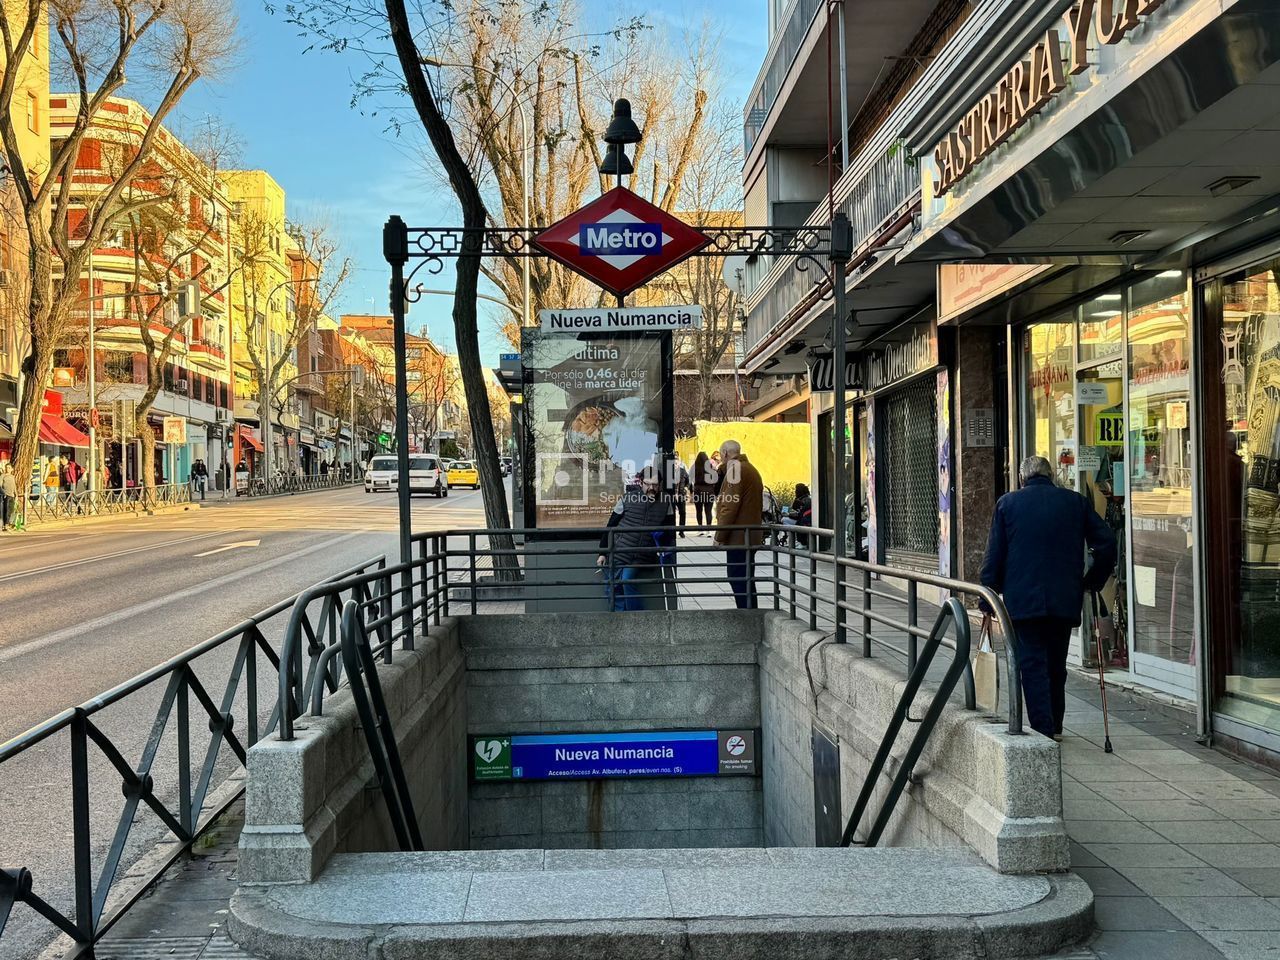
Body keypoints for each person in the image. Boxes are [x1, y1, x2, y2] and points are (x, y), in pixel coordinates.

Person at [980, 455, 1118, 740]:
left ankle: (1043, 729)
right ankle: (1054, 725)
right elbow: (1106, 543)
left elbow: (994, 554)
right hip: (1064, 597)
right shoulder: (1075, 502)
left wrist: (987, 594)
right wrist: (1093, 581)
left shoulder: (1008, 503)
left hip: (1023, 600)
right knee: (1056, 663)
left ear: (1022, 478)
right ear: (1051, 475)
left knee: (1031, 664)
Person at [597, 465, 673, 612]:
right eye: (648, 484)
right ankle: (619, 619)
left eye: (655, 484)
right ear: (641, 483)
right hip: (620, 550)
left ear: (660, 484)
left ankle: (635, 618)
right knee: (614, 587)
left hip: (642, 553)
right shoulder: (627, 498)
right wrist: (602, 552)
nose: (652, 487)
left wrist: (664, 541)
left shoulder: (666, 501)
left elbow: (669, 529)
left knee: (626, 579)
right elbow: (611, 525)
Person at [714, 440, 764, 609]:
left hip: (739, 538)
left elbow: (729, 507)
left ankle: (747, 617)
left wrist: (719, 536)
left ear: (726, 453)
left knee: (738, 578)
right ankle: (750, 615)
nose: (721, 458)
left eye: (721, 455)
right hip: (749, 535)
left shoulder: (736, 470)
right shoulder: (750, 468)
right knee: (746, 579)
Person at [691, 451, 716, 531]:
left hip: (698, 491)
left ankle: (700, 528)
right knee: (708, 511)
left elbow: (691, 479)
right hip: (709, 491)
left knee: (699, 511)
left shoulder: (694, 467)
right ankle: (708, 529)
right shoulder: (710, 467)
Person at [673, 460, 690, 536]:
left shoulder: (683, 471)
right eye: (674, 463)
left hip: (681, 495)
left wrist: (686, 487)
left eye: (676, 463)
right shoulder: (669, 471)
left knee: (682, 512)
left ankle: (681, 531)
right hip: (671, 495)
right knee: (672, 513)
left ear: (679, 463)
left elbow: (688, 481)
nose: (675, 465)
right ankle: (672, 530)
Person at [0, 461, 16, 530]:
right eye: (6, 468)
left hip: (12, 495)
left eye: (9, 468)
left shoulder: (12, 476)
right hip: (5, 495)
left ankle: (10, 523)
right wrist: (3, 493)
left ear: (12, 469)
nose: (7, 469)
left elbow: (14, 486)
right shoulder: (2, 476)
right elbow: (0, 485)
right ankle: (5, 525)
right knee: (6, 510)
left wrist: (16, 494)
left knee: (11, 510)